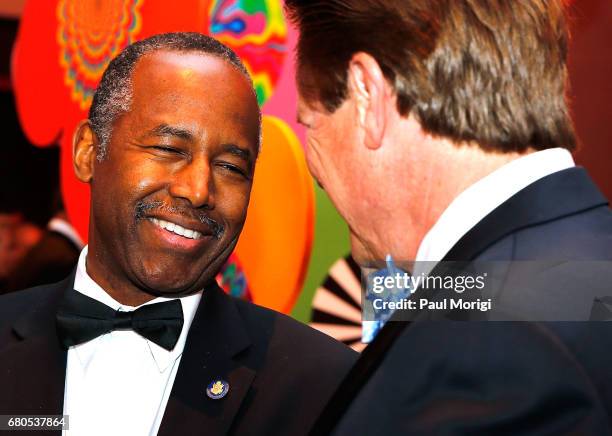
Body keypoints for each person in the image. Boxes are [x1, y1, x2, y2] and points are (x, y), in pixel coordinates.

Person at [0, 32, 356, 436]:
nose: (198, 189)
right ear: (87, 153)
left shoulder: (319, 386)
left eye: (231, 168)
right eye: (169, 149)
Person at [285, 0, 612, 434]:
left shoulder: (491, 344)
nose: (312, 164)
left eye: (311, 123)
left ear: (367, 95)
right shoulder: (572, 261)